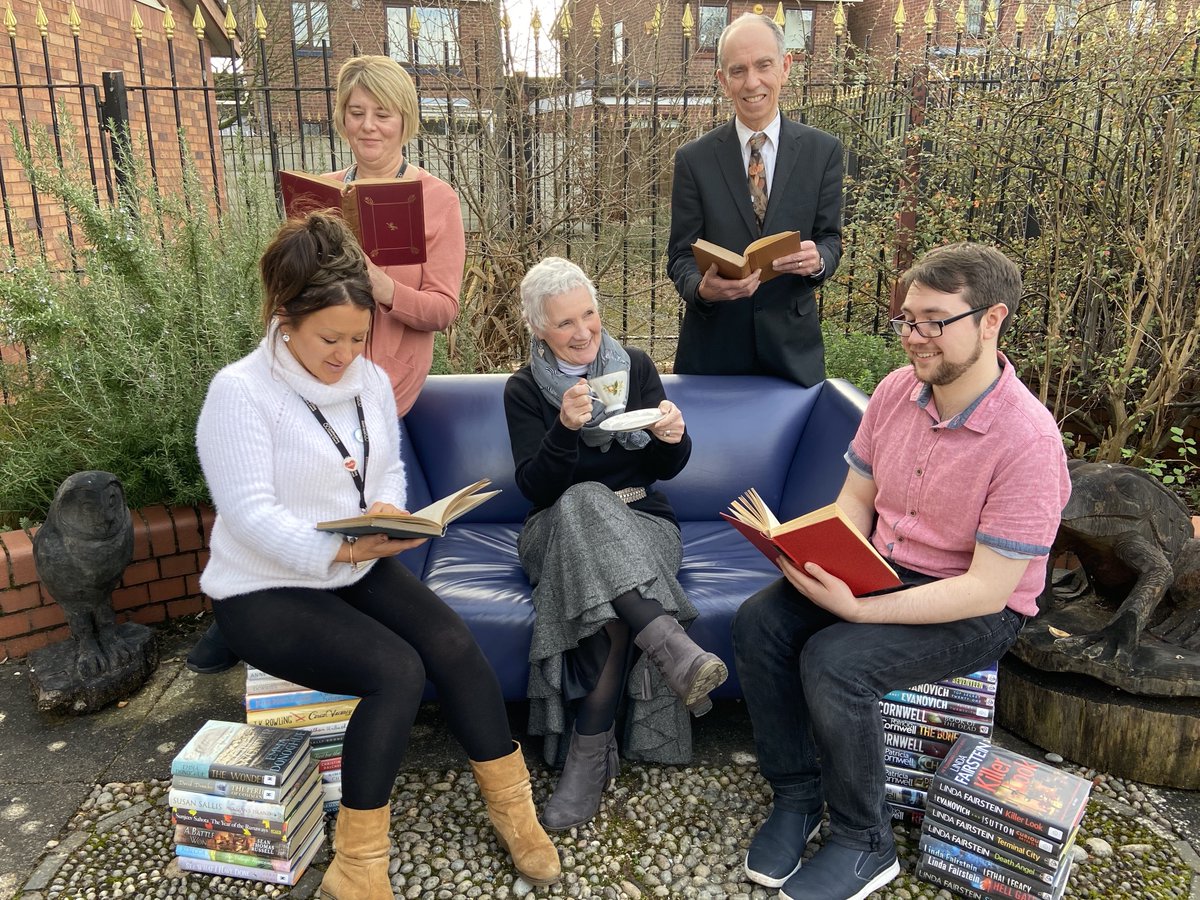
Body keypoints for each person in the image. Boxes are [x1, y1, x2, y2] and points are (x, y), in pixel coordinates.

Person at [195, 212, 560, 896]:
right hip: (261, 588)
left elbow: (384, 467)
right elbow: (249, 519)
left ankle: (515, 810)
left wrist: (390, 511)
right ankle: (358, 865)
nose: (345, 354)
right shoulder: (239, 394)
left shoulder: (363, 380)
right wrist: (343, 551)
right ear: (285, 317)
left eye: (359, 338)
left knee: (452, 642)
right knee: (394, 670)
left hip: (353, 559)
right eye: (329, 338)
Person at [731, 243, 1070, 900]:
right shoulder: (895, 390)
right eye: (907, 320)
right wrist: (820, 551)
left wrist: (859, 610)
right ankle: (798, 796)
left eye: (933, 321)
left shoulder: (1028, 440)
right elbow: (856, 499)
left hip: (975, 607)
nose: (914, 338)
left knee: (836, 661)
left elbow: (989, 587)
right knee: (760, 621)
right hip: (885, 568)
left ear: (992, 319)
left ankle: (864, 841)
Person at [187, 54, 466, 675]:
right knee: (279, 486)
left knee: (370, 521)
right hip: (309, 380)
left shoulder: (436, 200)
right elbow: (294, 296)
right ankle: (255, 611)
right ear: (341, 118)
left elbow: (443, 310)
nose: (369, 126)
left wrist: (378, 285)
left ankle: (365, 640)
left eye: (383, 114)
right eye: (356, 112)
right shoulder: (318, 198)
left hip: (382, 382)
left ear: (405, 121)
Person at [504, 257, 727, 830]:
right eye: (564, 324)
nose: (583, 332)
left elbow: (662, 469)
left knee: (612, 600)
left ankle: (585, 758)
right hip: (554, 530)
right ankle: (669, 642)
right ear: (538, 330)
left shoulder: (636, 367)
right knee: (581, 499)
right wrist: (564, 430)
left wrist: (674, 439)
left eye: (590, 315)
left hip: (644, 524)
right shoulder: (525, 390)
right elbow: (535, 485)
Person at [667, 13, 843, 386]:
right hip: (712, 351)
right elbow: (680, 256)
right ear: (722, 80)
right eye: (738, 70)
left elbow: (830, 240)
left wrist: (818, 262)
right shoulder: (693, 159)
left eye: (764, 65)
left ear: (785, 67)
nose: (752, 82)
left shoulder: (823, 151)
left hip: (792, 354)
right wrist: (701, 288)